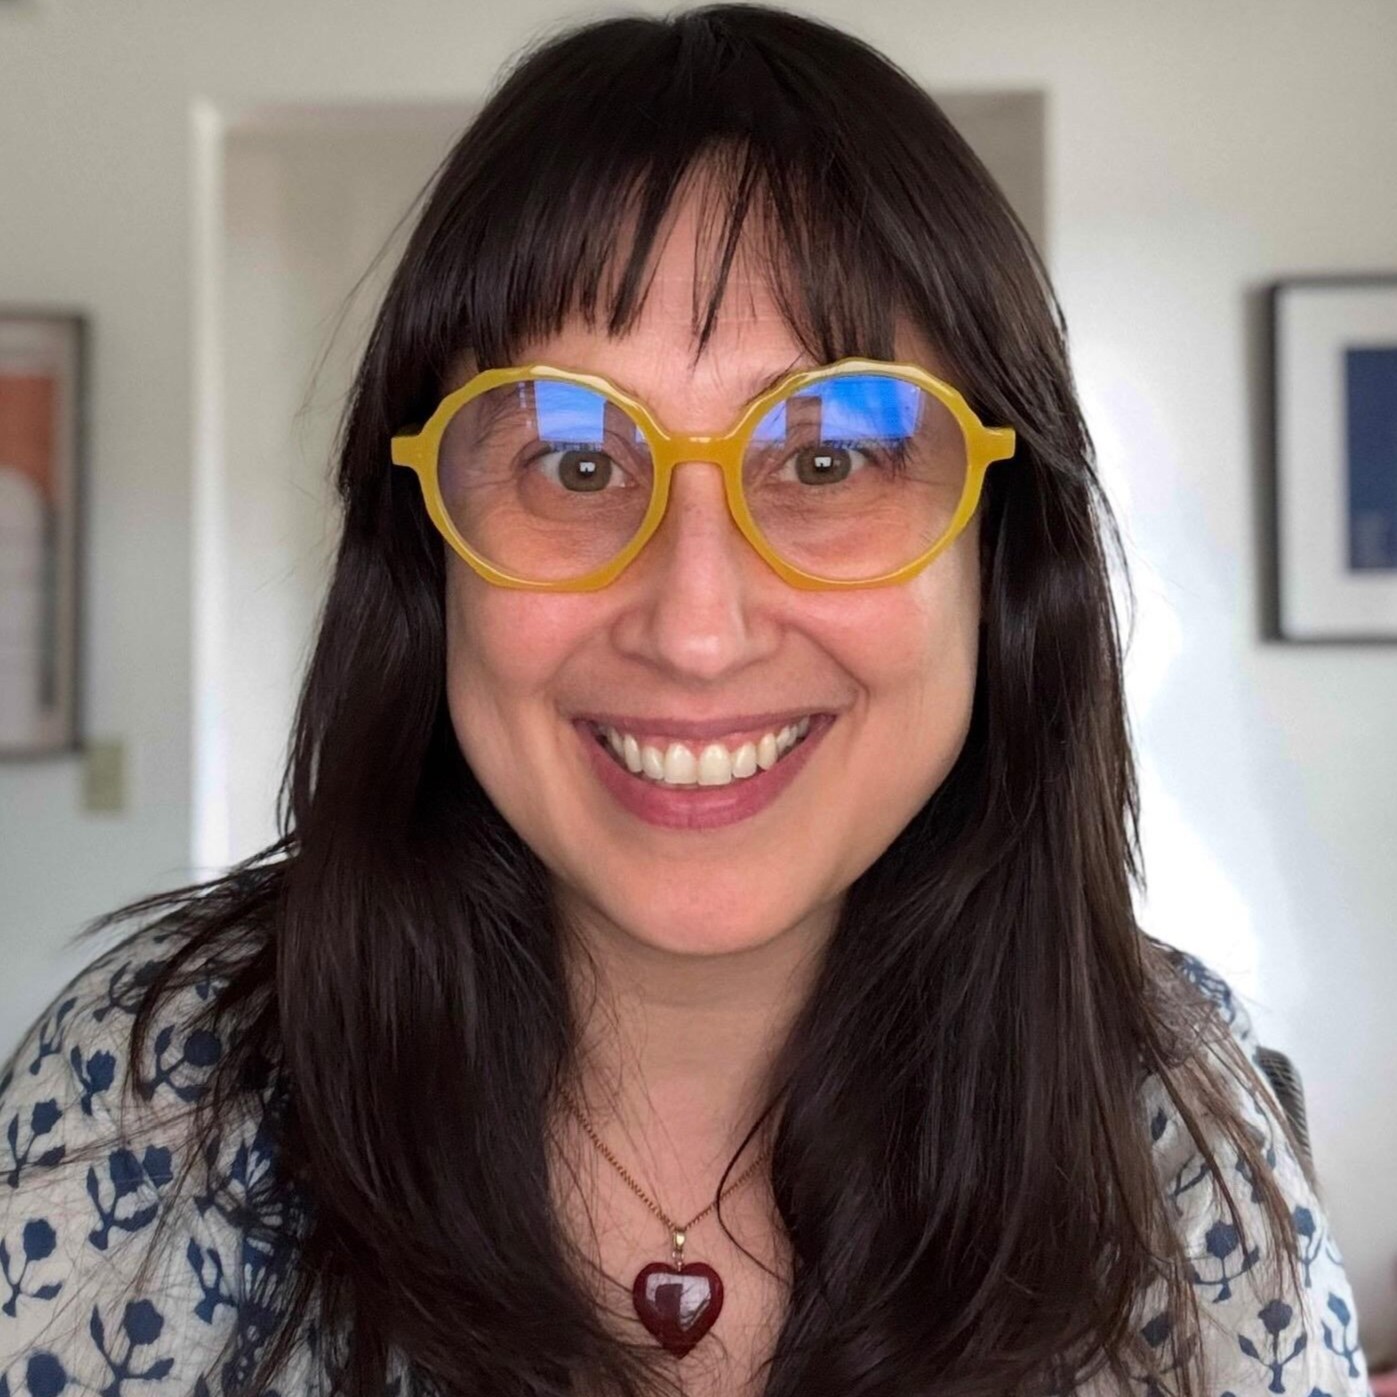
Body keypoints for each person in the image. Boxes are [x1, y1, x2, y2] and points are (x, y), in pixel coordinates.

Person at [0, 6, 1374, 1397]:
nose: (697, 627)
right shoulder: (144, 1101)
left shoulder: (1176, 1124)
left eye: (831, 457)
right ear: (425, 554)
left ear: (997, 555)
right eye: (576, 465)